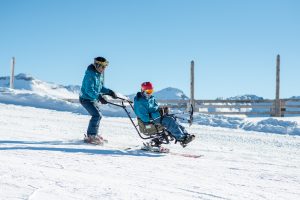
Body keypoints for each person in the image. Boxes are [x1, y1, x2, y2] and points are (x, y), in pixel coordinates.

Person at [134, 81, 195, 147]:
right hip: (147, 125)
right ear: (143, 91)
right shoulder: (139, 102)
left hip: (156, 119)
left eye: (151, 91)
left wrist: (162, 110)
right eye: (148, 92)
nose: (150, 94)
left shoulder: (151, 98)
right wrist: (159, 113)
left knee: (173, 117)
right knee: (169, 120)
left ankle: (185, 136)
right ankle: (181, 138)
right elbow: (145, 118)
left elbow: (155, 109)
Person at [79, 56, 117, 144]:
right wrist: (99, 97)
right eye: (103, 67)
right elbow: (89, 90)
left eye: (105, 67)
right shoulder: (90, 75)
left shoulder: (99, 75)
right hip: (85, 99)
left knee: (98, 115)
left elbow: (100, 87)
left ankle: (94, 134)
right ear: (97, 65)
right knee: (96, 115)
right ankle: (91, 135)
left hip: (93, 98)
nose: (104, 69)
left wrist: (110, 92)